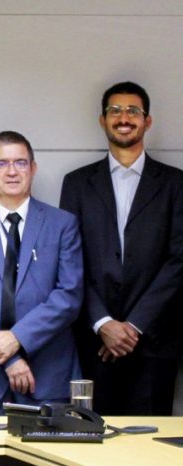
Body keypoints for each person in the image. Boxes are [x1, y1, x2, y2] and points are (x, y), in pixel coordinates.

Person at [60, 81, 183, 415]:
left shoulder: (176, 184)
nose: (124, 118)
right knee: (90, 436)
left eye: (133, 111)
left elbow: (179, 261)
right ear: (103, 120)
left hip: (154, 342)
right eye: (115, 110)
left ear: (147, 121)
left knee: (150, 441)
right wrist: (103, 323)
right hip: (94, 343)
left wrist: (133, 326)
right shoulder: (77, 183)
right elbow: (70, 261)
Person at [0, 131, 84, 416]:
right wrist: (9, 357)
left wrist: (18, 337)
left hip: (46, 374)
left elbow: (68, 296)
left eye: (20, 163)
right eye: (1, 163)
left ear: (33, 168)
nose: (12, 171)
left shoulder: (62, 224)